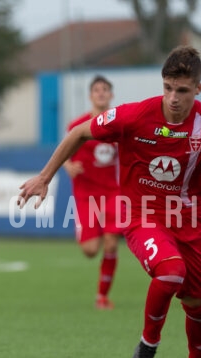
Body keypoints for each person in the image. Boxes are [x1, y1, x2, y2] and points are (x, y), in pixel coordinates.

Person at [19, 46, 201, 358]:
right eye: (168, 87)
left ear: (198, 89)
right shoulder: (135, 115)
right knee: (171, 271)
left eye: (182, 90)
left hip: (190, 219)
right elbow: (79, 133)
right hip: (141, 214)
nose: (172, 97)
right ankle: (147, 346)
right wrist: (45, 177)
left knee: (197, 302)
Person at [63, 75, 123, 310]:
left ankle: (102, 296)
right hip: (86, 194)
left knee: (111, 243)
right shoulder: (77, 125)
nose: (101, 93)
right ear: (90, 96)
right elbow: (65, 153)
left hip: (113, 193)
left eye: (105, 89)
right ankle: (86, 234)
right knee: (90, 251)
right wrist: (68, 166)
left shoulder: (119, 124)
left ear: (111, 95)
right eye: (97, 90)